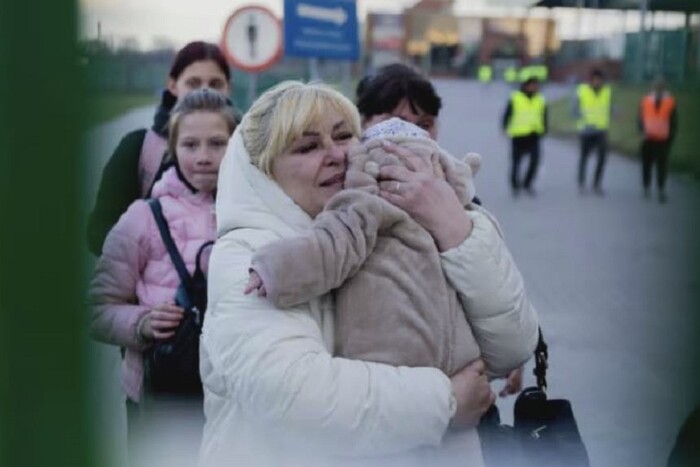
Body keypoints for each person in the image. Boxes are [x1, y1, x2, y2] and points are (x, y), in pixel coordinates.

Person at [199, 81, 539, 466]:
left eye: (344, 136)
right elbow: (294, 396)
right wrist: (445, 402)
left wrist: (453, 227)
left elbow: (511, 347)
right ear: (264, 172)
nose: (335, 155)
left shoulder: (401, 222)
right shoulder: (251, 255)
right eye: (307, 147)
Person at [244, 117, 507, 379]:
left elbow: (332, 245)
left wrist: (275, 270)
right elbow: (330, 246)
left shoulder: (445, 214)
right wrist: (276, 270)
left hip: (421, 363)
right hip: (405, 366)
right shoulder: (375, 205)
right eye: (307, 147)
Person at [88, 89, 237, 464]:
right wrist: (143, 323)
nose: (203, 156)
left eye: (217, 143)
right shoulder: (142, 218)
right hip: (160, 400)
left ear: (236, 146)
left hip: (237, 402)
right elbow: (97, 309)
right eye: (190, 144)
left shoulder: (256, 213)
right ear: (172, 148)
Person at [355, 62, 524, 392]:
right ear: (363, 122)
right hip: (374, 386)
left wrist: (513, 352)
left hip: (459, 380)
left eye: (426, 124)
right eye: (398, 121)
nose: (415, 133)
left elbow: (494, 283)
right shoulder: (342, 196)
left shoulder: (459, 195)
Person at [86, 41, 233, 256]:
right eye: (193, 83)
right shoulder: (139, 148)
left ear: (228, 87)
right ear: (172, 85)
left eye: (215, 83)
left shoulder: (246, 149)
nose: (204, 91)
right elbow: (98, 233)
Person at [502, 77, 547, 196]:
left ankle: (527, 183)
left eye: (536, 86)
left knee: (535, 161)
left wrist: (544, 129)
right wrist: (505, 127)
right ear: (526, 86)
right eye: (531, 85)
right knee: (516, 162)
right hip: (518, 135)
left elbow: (544, 115)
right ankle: (515, 185)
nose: (534, 88)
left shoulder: (540, 99)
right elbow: (507, 114)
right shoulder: (516, 98)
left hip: (534, 134)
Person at [573, 69, 612, 195]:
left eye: (599, 79)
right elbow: (574, 108)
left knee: (602, 158)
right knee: (584, 157)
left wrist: (615, 112)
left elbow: (609, 107)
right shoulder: (582, 90)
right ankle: (581, 183)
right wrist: (580, 117)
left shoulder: (607, 92)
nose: (597, 82)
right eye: (595, 79)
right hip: (586, 130)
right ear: (591, 80)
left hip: (601, 130)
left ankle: (597, 184)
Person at [639, 79, 677, 203]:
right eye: (656, 86)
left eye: (661, 87)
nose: (658, 88)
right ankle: (646, 187)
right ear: (653, 87)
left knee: (662, 167)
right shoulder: (646, 100)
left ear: (664, 88)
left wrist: (670, 138)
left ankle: (661, 190)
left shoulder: (670, 102)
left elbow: (673, 122)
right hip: (648, 138)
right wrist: (641, 132)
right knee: (646, 165)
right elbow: (640, 118)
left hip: (662, 140)